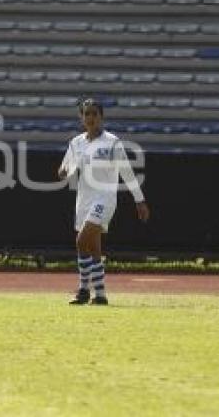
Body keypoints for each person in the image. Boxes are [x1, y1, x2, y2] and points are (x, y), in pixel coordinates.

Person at [58, 98, 151, 305]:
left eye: (94, 114)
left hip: (105, 198)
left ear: (101, 117)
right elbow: (66, 167)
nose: (90, 118)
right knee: (92, 246)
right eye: (86, 114)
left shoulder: (112, 142)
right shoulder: (76, 143)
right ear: (81, 118)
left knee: (81, 241)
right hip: (84, 198)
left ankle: (83, 290)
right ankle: (100, 294)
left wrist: (140, 201)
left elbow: (127, 172)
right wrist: (63, 172)